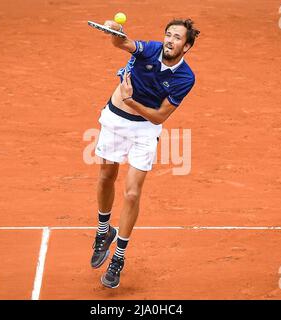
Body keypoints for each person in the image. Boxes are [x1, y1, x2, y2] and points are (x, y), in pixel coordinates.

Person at [90, 18, 200, 288]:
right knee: (106, 176)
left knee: (132, 193)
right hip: (115, 120)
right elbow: (123, 43)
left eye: (177, 38)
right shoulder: (149, 49)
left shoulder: (186, 78)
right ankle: (104, 232)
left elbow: (160, 116)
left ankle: (118, 258)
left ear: (186, 47)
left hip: (144, 131)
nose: (170, 40)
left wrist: (130, 100)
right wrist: (115, 32)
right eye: (168, 35)